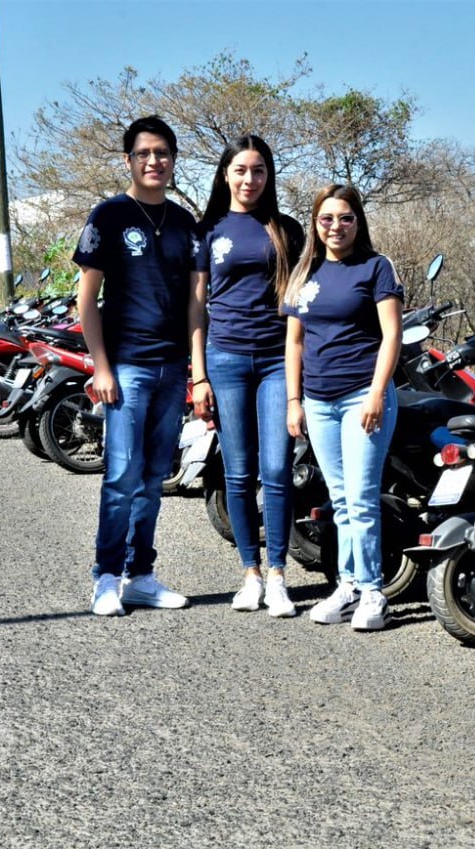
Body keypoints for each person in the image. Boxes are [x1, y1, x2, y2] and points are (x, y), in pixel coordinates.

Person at [74, 115, 198, 616]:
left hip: (172, 368)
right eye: (144, 154)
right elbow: (87, 301)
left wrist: (196, 368)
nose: (154, 162)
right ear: (129, 160)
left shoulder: (185, 223)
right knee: (122, 477)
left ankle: (140, 574)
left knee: (152, 479)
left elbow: (195, 304)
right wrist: (101, 367)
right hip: (126, 367)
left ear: (172, 160)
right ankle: (105, 577)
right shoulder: (108, 216)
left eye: (163, 153)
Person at [191, 135, 305, 618]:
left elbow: (305, 299)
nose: (249, 179)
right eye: (240, 170)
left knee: (277, 470)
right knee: (238, 472)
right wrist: (198, 374)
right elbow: (196, 305)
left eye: (258, 170)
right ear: (225, 174)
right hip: (225, 359)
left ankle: (278, 575)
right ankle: (250, 574)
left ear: (268, 176)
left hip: (278, 360)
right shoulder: (209, 229)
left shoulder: (288, 229)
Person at [283, 184, 403, 631]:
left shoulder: (376, 267)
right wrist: (294, 401)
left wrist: (376, 392)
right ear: (316, 223)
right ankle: (348, 586)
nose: (336, 226)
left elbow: (391, 335)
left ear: (359, 221)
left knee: (361, 498)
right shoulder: (304, 273)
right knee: (339, 500)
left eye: (346, 218)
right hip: (317, 401)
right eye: (327, 218)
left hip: (362, 398)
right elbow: (294, 342)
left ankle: (374, 592)